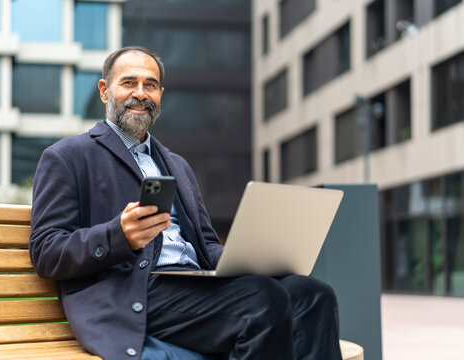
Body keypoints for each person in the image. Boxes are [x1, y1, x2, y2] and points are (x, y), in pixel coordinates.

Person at [29, 46, 342, 360]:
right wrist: (118, 236)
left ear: (160, 95)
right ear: (104, 91)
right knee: (262, 300)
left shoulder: (176, 164)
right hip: (134, 290)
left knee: (313, 294)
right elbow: (46, 250)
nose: (140, 93)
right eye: (128, 83)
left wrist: (258, 257)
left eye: (150, 85)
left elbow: (206, 245)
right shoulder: (68, 156)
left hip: (194, 283)